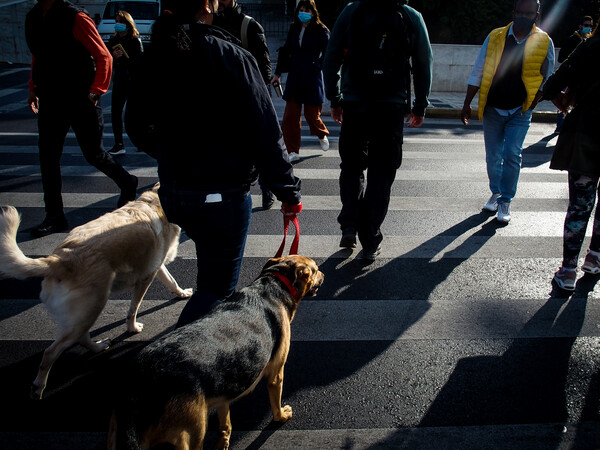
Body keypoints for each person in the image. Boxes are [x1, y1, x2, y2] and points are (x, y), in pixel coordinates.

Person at [144, 0, 302, 328]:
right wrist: (288, 191)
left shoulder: (157, 53)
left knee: (210, 276)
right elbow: (265, 131)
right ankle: (170, 358)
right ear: (207, 4)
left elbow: (135, 122)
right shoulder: (230, 56)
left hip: (174, 192)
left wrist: (171, 155)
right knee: (217, 291)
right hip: (221, 195)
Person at [323, 0, 432, 260]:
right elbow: (423, 62)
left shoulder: (352, 10)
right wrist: (420, 105)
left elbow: (331, 58)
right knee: (382, 171)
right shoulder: (409, 15)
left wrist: (335, 98)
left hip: (355, 101)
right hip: (391, 105)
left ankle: (349, 223)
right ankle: (370, 237)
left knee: (351, 165)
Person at [25, 0, 139, 238]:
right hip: (51, 98)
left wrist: (95, 91)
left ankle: (127, 182)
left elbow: (103, 57)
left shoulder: (75, 17)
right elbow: (39, 54)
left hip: (80, 98)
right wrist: (32, 86)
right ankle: (54, 216)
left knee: (94, 154)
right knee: (48, 157)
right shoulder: (34, 16)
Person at [461, 0, 555, 224]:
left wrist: (534, 101)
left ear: (536, 15)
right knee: (493, 157)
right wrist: (467, 103)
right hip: (493, 107)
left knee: (512, 154)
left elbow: (548, 74)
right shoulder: (495, 36)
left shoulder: (544, 41)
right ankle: (495, 192)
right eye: (519, 12)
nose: (523, 16)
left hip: (519, 110)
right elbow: (479, 68)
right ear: (513, 12)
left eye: (528, 13)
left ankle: (506, 200)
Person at [543, 24, 600, 290]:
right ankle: (595, 258)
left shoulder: (590, 47)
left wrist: (565, 104)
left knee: (580, 205)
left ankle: (567, 271)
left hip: (586, 134)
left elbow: (552, 84)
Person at [213, 0, 276, 209]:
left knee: (259, 147)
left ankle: (267, 190)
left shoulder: (249, 25)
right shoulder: (211, 23)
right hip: (222, 101)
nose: (219, 3)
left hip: (246, 98)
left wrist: (261, 98)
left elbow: (264, 65)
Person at [271, 0, 330, 163]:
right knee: (290, 116)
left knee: (312, 115)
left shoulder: (321, 30)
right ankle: (292, 151)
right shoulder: (294, 28)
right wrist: (277, 74)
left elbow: (328, 52)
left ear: (313, 12)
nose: (303, 13)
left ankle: (321, 133)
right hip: (295, 75)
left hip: (312, 76)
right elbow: (285, 51)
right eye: (301, 10)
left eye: (307, 10)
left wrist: (317, 65)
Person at [106, 10, 143, 156]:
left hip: (132, 81)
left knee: (134, 114)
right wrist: (114, 57)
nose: (118, 24)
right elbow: (109, 62)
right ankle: (119, 143)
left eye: (121, 22)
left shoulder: (135, 39)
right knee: (115, 113)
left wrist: (126, 59)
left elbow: (139, 61)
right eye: (117, 21)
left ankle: (140, 142)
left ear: (128, 24)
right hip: (120, 80)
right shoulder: (113, 41)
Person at [554, 15, 593, 132]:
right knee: (566, 99)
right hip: (570, 75)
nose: (589, 28)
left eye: (591, 25)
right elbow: (561, 58)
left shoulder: (591, 41)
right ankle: (560, 125)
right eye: (586, 25)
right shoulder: (572, 40)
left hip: (583, 77)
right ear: (580, 26)